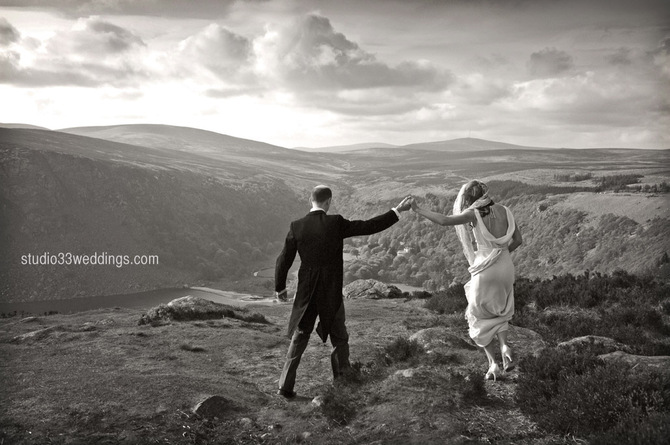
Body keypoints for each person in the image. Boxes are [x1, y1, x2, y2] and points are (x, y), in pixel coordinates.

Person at [275, 185, 412, 398]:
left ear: (310, 201)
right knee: (339, 336)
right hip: (330, 292)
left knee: (300, 336)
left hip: (306, 293)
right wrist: (397, 211)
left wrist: (280, 288)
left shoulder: (297, 226)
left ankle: (285, 386)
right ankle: (343, 381)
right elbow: (369, 226)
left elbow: (283, 259)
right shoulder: (335, 223)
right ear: (328, 202)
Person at [410, 180, 522, 381]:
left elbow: (444, 220)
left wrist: (418, 209)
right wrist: (500, 256)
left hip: (485, 269)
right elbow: (518, 241)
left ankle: (493, 364)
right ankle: (505, 346)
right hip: (506, 266)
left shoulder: (473, 214)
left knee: (478, 314)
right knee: (502, 309)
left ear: (469, 199)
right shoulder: (506, 210)